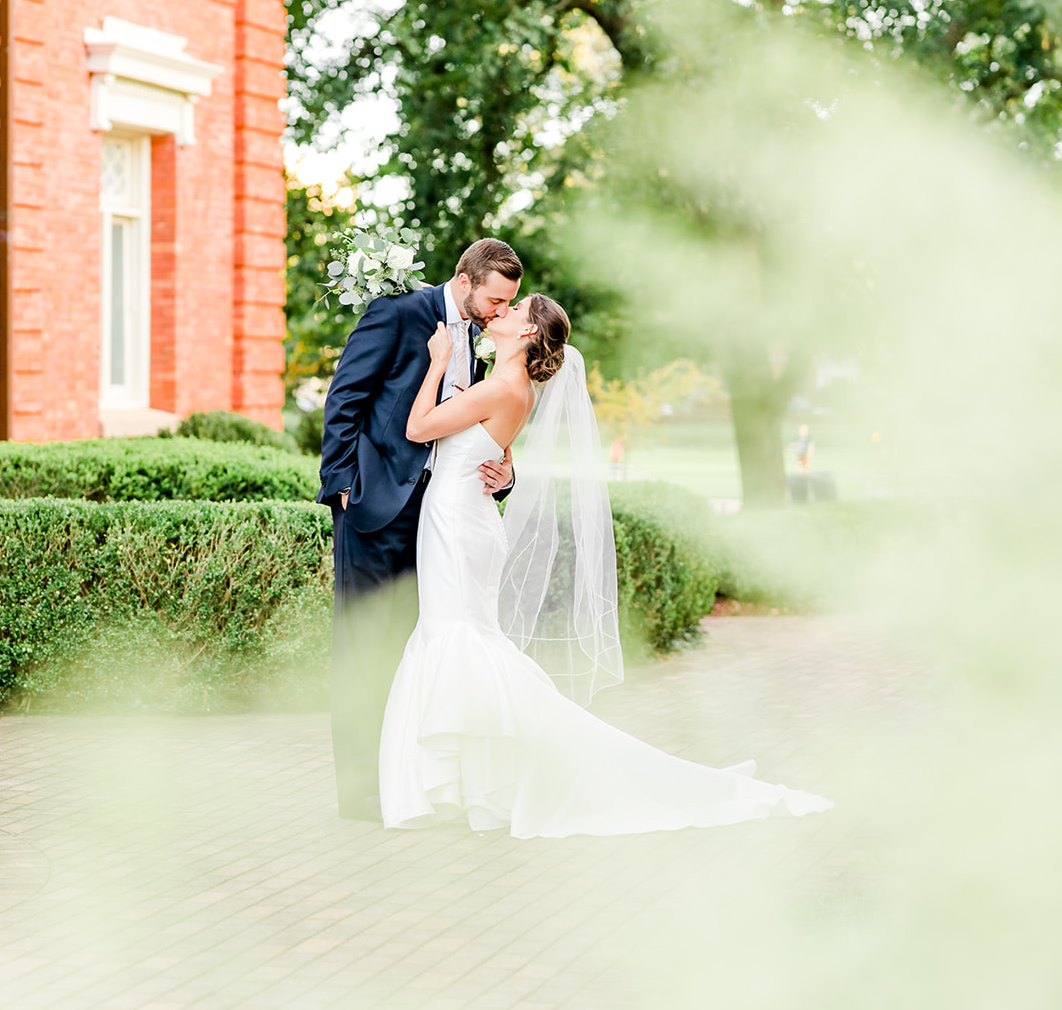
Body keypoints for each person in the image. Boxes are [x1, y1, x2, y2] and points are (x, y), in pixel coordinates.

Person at [379, 294, 832, 837]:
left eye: (514, 310)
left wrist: (434, 361)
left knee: (458, 637)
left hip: (457, 522)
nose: (500, 313)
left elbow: (417, 428)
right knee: (464, 638)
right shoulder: (505, 387)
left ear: (526, 335)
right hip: (463, 518)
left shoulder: (502, 386)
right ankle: (473, 786)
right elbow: (479, 442)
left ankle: (481, 777)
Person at [318, 239, 522, 822]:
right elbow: (346, 397)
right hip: (374, 506)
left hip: (438, 521)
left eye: (508, 303)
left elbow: (479, 425)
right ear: (464, 280)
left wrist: (505, 472)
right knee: (362, 647)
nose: (501, 311)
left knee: (409, 651)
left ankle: (397, 777)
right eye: (495, 298)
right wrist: (341, 484)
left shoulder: (483, 346)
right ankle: (358, 792)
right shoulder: (399, 313)